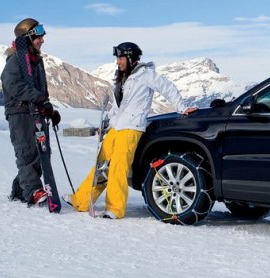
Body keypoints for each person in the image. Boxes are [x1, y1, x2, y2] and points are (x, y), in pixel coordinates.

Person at [64, 42, 197, 219]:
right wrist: (107, 122)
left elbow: (167, 87)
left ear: (130, 57)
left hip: (132, 127)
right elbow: (117, 106)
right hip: (116, 126)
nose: (117, 62)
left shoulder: (146, 75)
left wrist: (181, 107)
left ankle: (115, 208)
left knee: (119, 166)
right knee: (100, 165)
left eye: (120, 58)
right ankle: (80, 200)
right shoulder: (121, 77)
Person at [1, 18, 61, 206]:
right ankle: (32, 190)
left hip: (34, 112)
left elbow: (39, 89)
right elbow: (13, 85)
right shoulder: (15, 60)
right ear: (27, 38)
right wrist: (39, 99)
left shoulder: (35, 61)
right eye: (38, 36)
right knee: (26, 151)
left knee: (41, 151)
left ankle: (21, 188)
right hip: (19, 113)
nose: (42, 39)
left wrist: (48, 108)